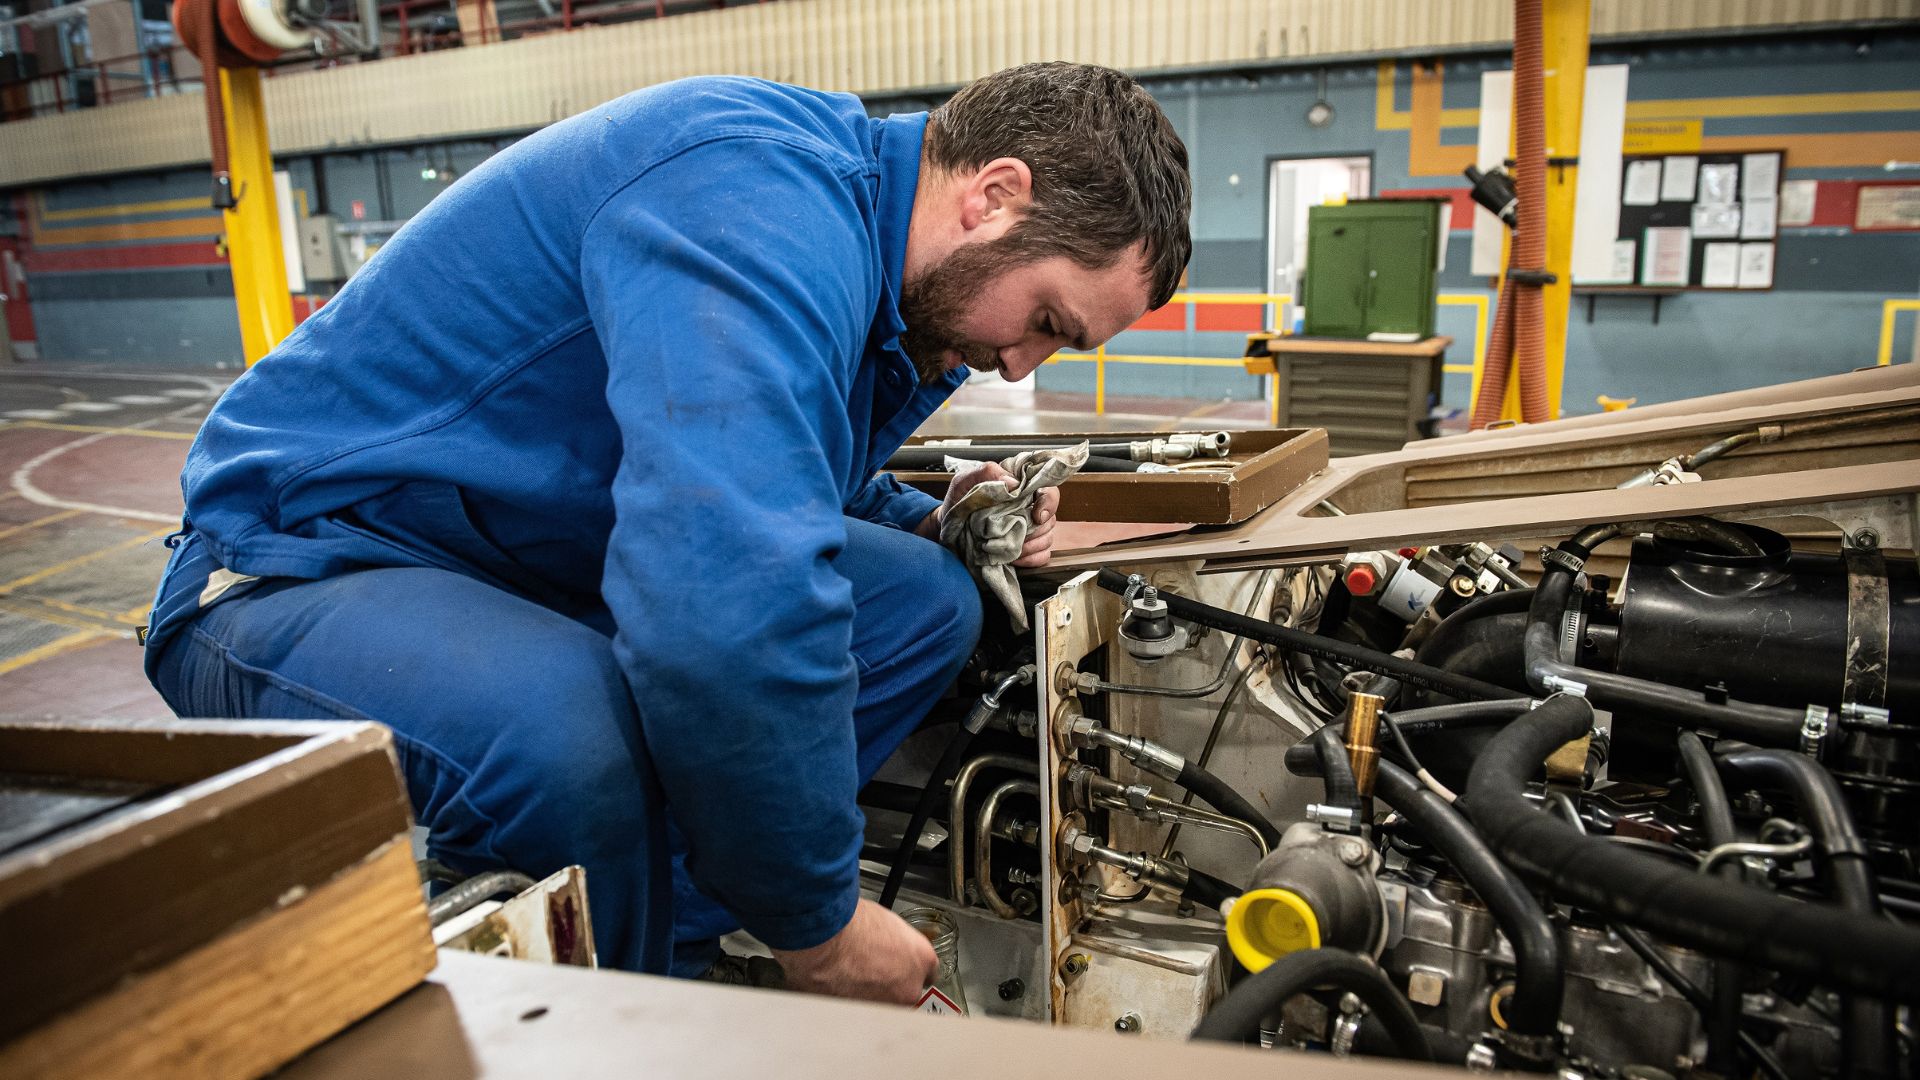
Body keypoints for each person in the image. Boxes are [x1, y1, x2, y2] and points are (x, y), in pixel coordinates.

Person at [143, 61, 1191, 1004]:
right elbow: (725, 602)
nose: (1022, 368)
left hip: (520, 558)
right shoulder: (750, 204)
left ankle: (675, 933)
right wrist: (819, 924)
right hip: (297, 561)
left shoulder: (865, 263)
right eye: (1049, 321)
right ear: (993, 196)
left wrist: (937, 520)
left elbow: (778, 482)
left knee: (923, 599)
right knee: (572, 734)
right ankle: (632, 1008)